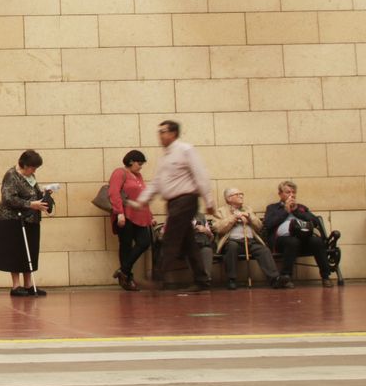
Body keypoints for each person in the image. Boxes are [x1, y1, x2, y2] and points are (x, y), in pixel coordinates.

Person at [136, 121, 214, 293]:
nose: (160, 135)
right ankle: (202, 281)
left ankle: (157, 280)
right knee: (188, 243)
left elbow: (200, 174)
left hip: (186, 200)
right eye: (159, 131)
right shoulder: (164, 156)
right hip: (173, 203)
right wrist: (142, 200)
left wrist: (209, 201)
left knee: (170, 239)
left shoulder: (186, 150)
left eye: (163, 131)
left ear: (173, 133)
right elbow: (157, 181)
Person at [0, 150, 49, 297]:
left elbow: (33, 193)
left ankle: (28, 284)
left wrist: (44, 195)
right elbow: (8, 198)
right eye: (33, 167)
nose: (34, 170)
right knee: (15, 251)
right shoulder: (11, 175)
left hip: (30, 218)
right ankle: (16, 286)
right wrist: (31, 204)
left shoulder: (30, 176)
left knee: (30, 250)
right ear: (24, 165)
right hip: (11, 218)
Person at [264, 180, 334, 288]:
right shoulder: (272, 208)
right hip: (283, 241)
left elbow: (315, 222)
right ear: (280, 194)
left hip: (303, 239)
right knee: (292, 242)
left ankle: (326, 277)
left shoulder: (301, 207)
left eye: (293, 192)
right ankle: (286, 277)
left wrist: (296, 210)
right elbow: (268, 224)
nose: (291, 195)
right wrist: (285, 211)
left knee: (317, 241)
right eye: (288, 192)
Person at [213, 187, 277, 289]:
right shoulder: (221, 211)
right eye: (237, 194)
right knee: (231, 247)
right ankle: (231, 279)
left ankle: (274, 279)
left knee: (263, 250)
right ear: (229, 198)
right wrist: (234, 217)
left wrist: (249, 217)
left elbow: (259, 227)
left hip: (250, 241)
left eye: (241, 194)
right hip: (232, 241)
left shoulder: (248, 209)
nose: (241, 196)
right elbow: (218, 228)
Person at [107, 150, 151, 291]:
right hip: (125, 215)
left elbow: (143, 197)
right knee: (125, 246)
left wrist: (151, 215)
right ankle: (127, 278)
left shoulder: (138, 176)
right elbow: (114, 193)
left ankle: (123, 271)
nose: (141, 166)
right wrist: (119, 213)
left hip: (140, 215)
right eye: (139, 163)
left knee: (145, 241)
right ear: (131, 161)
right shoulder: (120, 173)